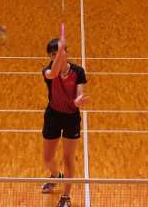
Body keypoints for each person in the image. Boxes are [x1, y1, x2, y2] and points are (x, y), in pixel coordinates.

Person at [42, 37, 88, 207]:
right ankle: (56, 176)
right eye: (53, 54)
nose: (58, 56)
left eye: (61, 52)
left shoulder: (78, 72)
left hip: (71, 119)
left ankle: (66, 196)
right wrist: (59, 56)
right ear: (50, 56)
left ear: (67, 53)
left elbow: (79, 94)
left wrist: (78, 101)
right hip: (53, 116)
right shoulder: (47, 71)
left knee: (68, 159)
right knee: (47, 158)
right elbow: (53, 73)